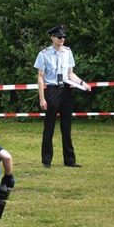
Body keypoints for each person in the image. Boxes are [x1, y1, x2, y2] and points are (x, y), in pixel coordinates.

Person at [34, 24, 91, 168]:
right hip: (52, 90)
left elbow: (71, 73)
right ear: (52, 38)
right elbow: (40, 77)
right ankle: (46, 160)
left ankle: (70, 161)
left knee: (67, 126)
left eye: (63, 37)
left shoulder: (68, 52)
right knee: (49, 127)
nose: (62, 39)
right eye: (59, 37)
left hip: (66, 90)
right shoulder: (44, 54)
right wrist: (42, 98)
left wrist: (83, 83)